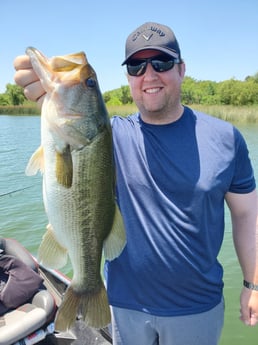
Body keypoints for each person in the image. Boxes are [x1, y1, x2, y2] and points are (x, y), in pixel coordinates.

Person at [14, 22, 258, 345]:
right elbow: (74, 136)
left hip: (197, 308)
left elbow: (247, 215)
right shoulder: (109, 136)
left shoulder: (226, 139)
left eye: (162, 62)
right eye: (136, 65)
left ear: (182, 70)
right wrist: (43, 90)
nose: (149, 74)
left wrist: (253, 284)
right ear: (128, 77)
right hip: (124, 306)